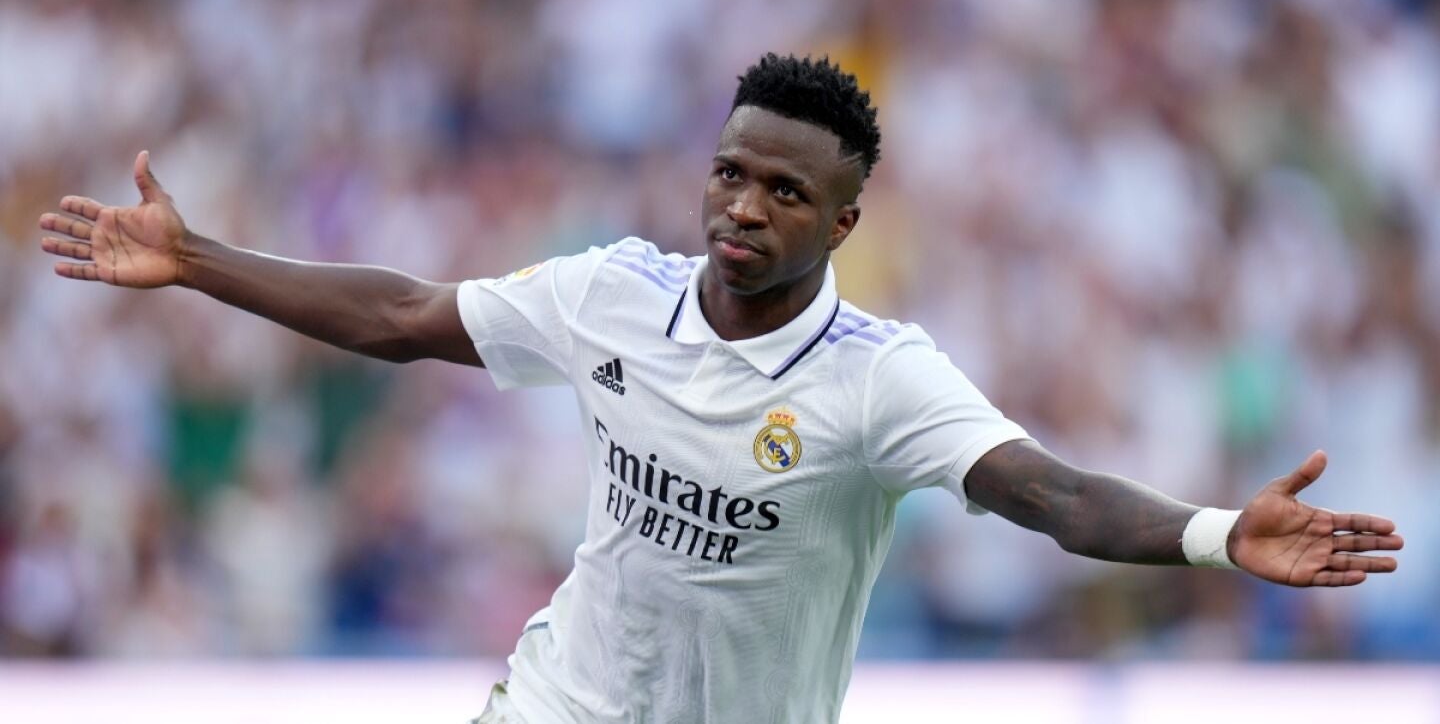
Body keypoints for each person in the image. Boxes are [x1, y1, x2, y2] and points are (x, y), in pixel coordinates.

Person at [39, 54, 1403, 723]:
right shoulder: (610, 293)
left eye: (787, 191)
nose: (746, 206)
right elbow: (404, 316)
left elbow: (1049, 493)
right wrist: (196, 260)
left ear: (843, 221)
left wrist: (1215, 534)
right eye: (732, 173)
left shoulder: (880, 379)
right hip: (564, 703)